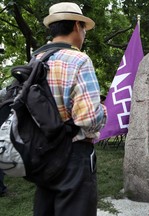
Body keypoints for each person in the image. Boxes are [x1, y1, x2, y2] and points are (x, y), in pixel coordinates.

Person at [33, 2, 107, 216]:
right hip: (74, 155)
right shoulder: (78, 60)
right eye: (84, 28)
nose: (84, 34)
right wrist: (104, 110)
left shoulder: (36, 59)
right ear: (77, 25)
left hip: (42, 153)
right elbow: (89, 118)